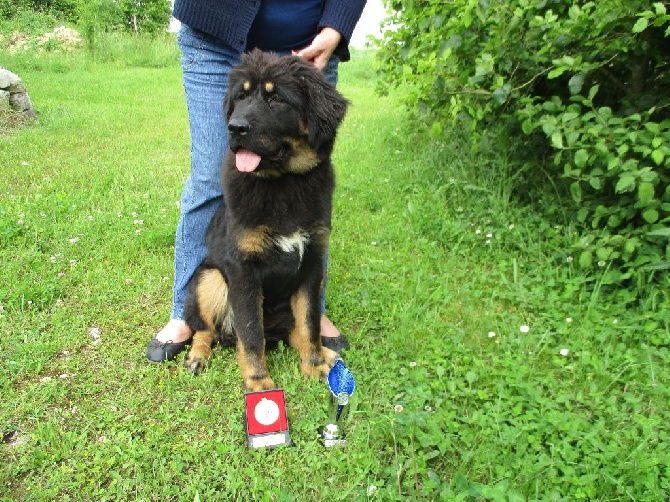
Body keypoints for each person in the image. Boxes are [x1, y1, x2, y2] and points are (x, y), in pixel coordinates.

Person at [146, 0, 367, 363]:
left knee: (309, 184)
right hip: (214, 33)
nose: (237, 121)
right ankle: (192, 319)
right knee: (208, 179)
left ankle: (307, 322)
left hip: (310, 41)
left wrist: (336, 27)